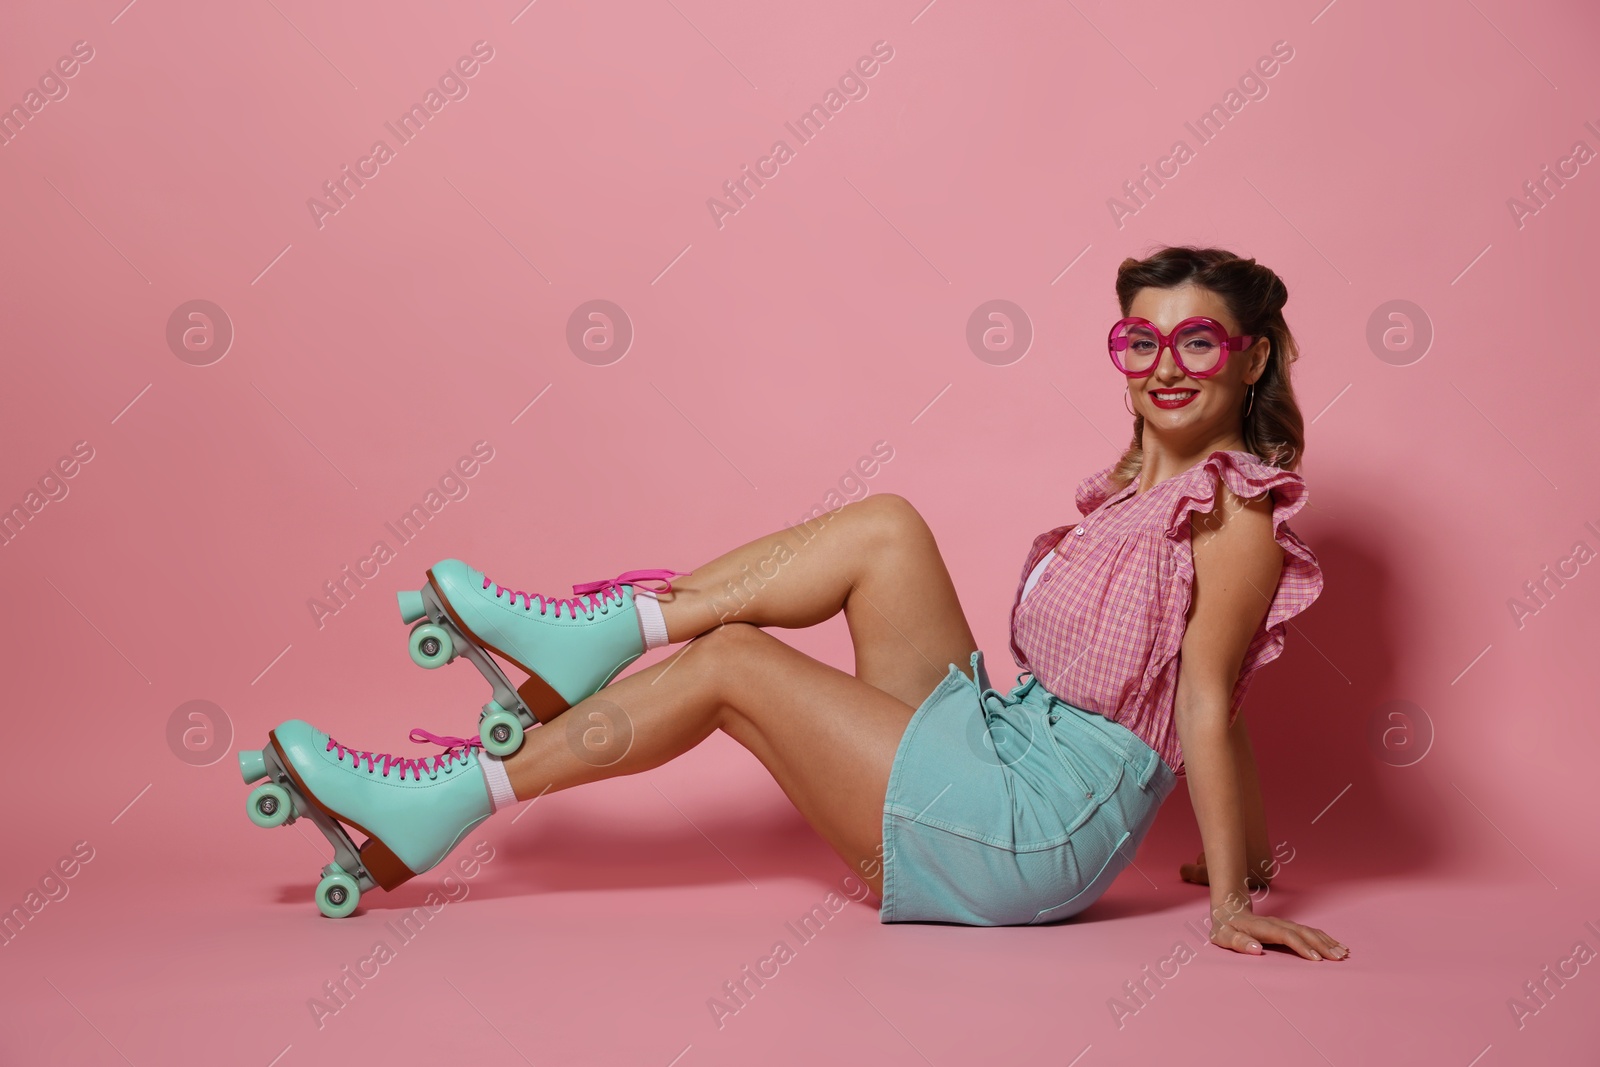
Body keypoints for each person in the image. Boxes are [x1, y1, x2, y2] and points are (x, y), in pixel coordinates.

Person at [242, 244, 1349, 960]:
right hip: (1010, 743)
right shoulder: (1126, 499)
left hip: (1031, 831)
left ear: (1249, 361)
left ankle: (445, 799)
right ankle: (598, 632)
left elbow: (1208, 700)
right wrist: (1237, 852)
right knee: (887, 527)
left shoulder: (1232, 515)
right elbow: (1227, 703)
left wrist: (1228, 903)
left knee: (737, 662)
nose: (1164, 363)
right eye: (1139, 338)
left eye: (1196, 340)